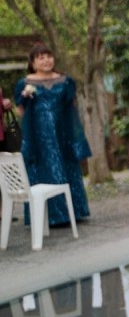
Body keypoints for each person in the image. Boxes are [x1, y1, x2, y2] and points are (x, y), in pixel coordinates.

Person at [13, 44, 92, 226]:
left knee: (66, 166)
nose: (46, 60)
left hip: (62, 132)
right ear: (33, 63)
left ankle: (73, 212)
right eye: (41, 58)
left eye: (48, 56)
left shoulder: (65, 81)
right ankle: (48, 216)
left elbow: (71, 107)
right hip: (38, 136)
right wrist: (26, 97)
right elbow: (20, 111)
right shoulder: (24, 84)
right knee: (42, 169)